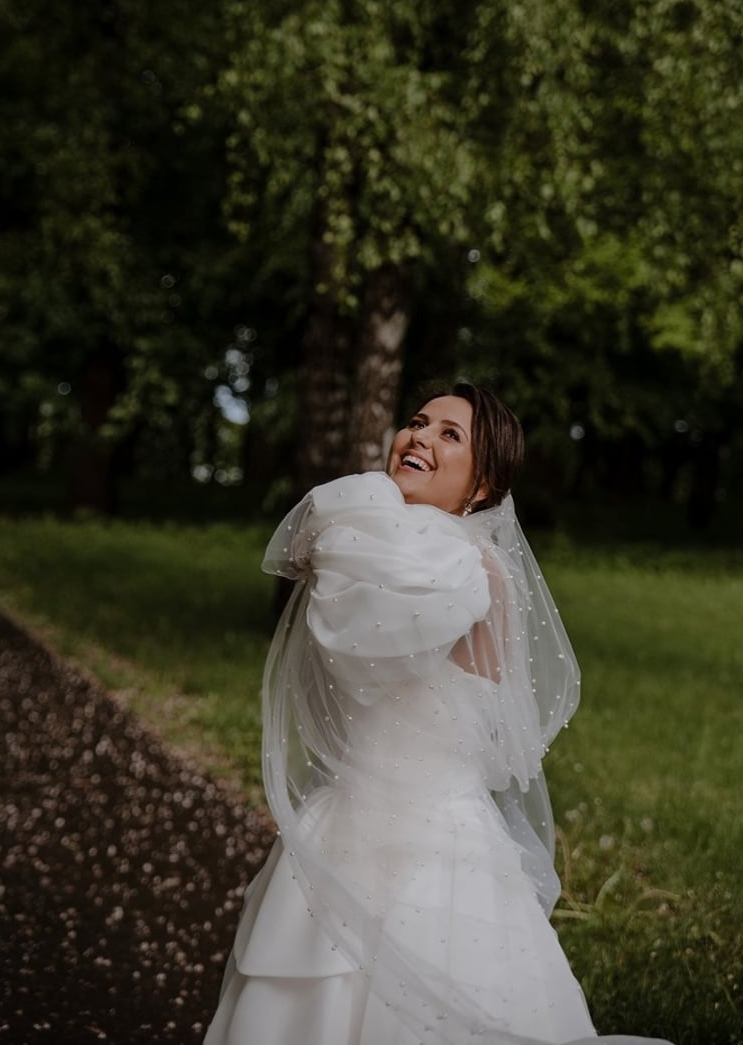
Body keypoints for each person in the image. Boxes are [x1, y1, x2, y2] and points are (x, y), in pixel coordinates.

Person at [204, 384, 672, 1045]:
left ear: (481, 487)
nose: (420, 436)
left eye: (450, 435)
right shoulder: (371, 551)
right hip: (342, 819)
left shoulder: (470, 569)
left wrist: (343, 541)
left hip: (433, 839)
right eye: (418, 422)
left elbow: (380, 646)